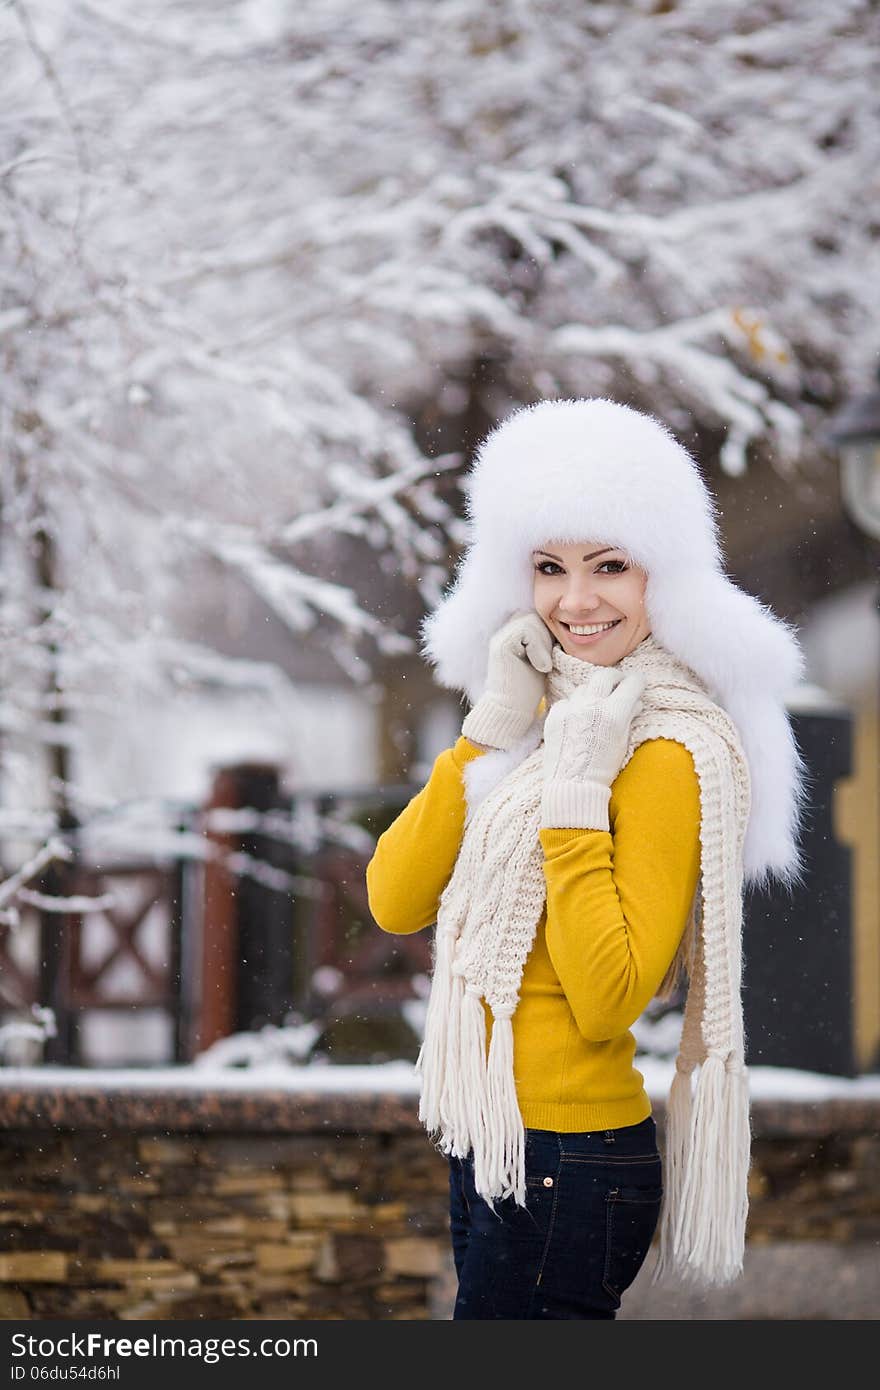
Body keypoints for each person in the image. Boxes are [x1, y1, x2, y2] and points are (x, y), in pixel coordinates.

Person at [366, 397, 807, 1319]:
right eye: (550, 568)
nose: (576, 600)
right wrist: (488, 731)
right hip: (495, 1140)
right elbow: (395, 899)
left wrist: (575, 801)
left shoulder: (662, 751)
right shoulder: (540, 721)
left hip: (569, 1160)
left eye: (610, 566)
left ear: (665, 577)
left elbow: (610, 1000)